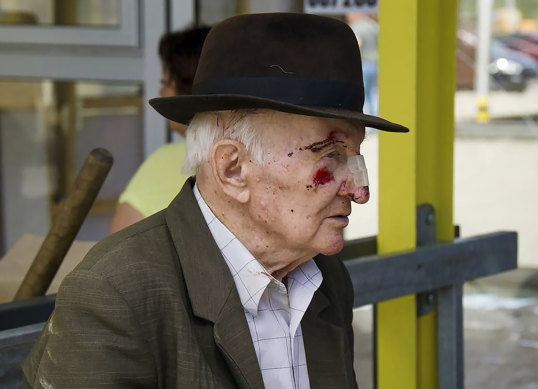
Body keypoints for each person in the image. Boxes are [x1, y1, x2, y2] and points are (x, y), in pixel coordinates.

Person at [22, 13, 408, 388]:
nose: (359, 190)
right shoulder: (114, 294)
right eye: (330, 155)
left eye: (355, 157)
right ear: (234, 169)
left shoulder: (325, 278)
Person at [109, 24, 210, 233]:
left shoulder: (165, 160)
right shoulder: (261, 160)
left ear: (188, 88)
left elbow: (117, 254)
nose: (161, 91)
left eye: (166, 83)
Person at [346, 12, 379, 116]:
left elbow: (358, 44)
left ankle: (364, 120)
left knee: (362, 95)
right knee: (372, 94)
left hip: (364, 64)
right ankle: (374, 120)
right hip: (375, 64)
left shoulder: (357, 26)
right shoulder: (373, 25)